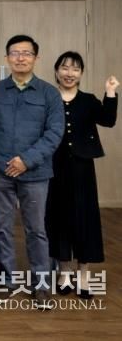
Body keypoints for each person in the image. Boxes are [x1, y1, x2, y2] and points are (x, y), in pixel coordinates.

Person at [0, 34, 63, 308]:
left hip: (35, 173)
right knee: (2, 229)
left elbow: (54, 133)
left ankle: (41, 286)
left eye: (26, 53)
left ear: (36, 58)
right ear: (6, 58)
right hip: (1, 171)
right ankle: (7, 282)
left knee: (36, 230)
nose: (20, 58)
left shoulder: (48, 93)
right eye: (15, 53)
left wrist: (26, 160)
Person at [46, 52, 118, 298]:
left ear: (81, 73)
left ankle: (84, 273)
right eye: (65, 68)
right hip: (54, 166)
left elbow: (108, 120)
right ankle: (64, 270)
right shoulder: (48, 98)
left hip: (82, 167)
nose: (69, 73)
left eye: (75, 69)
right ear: (56, 71)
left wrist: (110, 92)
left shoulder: (88, 100)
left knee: (84, 217)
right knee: (59, 216)